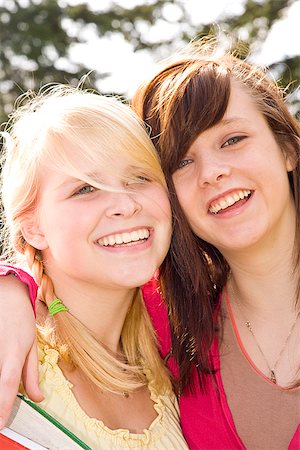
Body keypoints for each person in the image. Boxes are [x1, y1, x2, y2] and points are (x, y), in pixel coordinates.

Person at [0, 39, 299, 449]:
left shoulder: (164, 332)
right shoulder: (177, 325)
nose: (212, 173)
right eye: (181, 160)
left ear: (287, 147)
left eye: (233, 140)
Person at [0, 85, 188, 449]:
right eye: (85, 188)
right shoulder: (12, 351)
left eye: (139, 178)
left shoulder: (179, 350)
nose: (125, 204)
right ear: (34, 227)